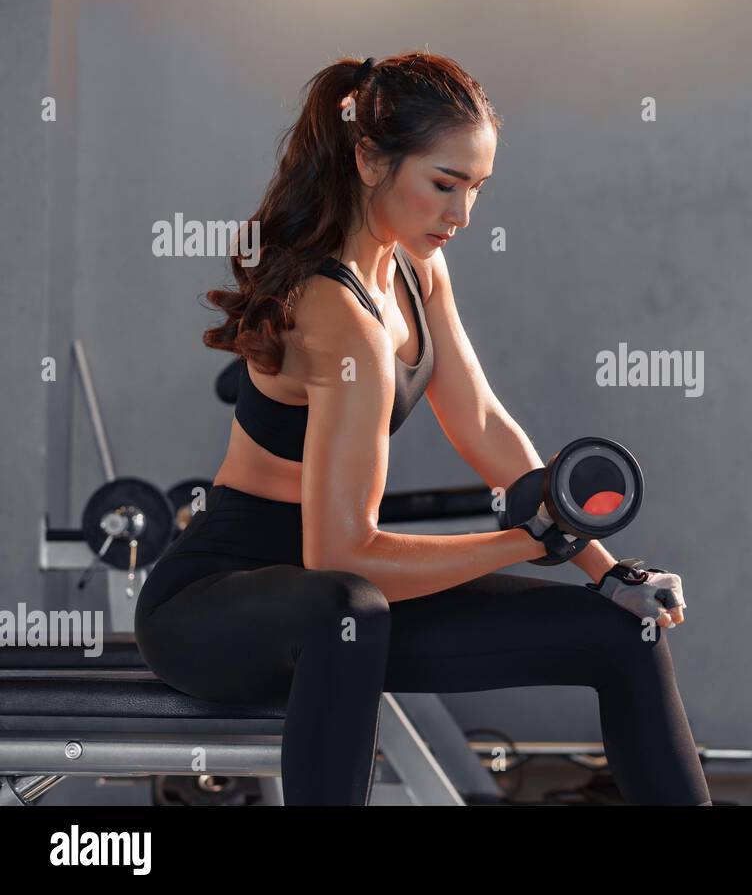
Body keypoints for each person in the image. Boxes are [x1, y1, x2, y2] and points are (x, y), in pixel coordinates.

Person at [133, 52, 711, 806]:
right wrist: (528, 541)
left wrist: (606, 570)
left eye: (476, 189)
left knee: (622, 632)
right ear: (370, 159)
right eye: (445, 184)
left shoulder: (414, 272)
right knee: (348, 605)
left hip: (346, 610)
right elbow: (339, 553)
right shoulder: (336, 313)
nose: (462, 214)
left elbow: (482, 423)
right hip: (217, 605)